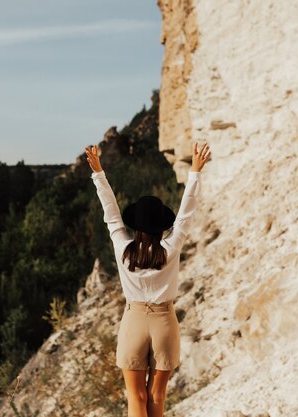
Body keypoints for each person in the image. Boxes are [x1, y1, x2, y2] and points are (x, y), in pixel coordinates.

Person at [86, 141, 211, 417]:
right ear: (160, 226)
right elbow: (187, 213)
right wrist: (196, 171)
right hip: (164, 321)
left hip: (134, 319)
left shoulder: (123, 248)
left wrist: (98, 173)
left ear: (136, 226)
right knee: (157, 395)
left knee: (136, 396)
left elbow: (111, 215)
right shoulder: (170, 247)